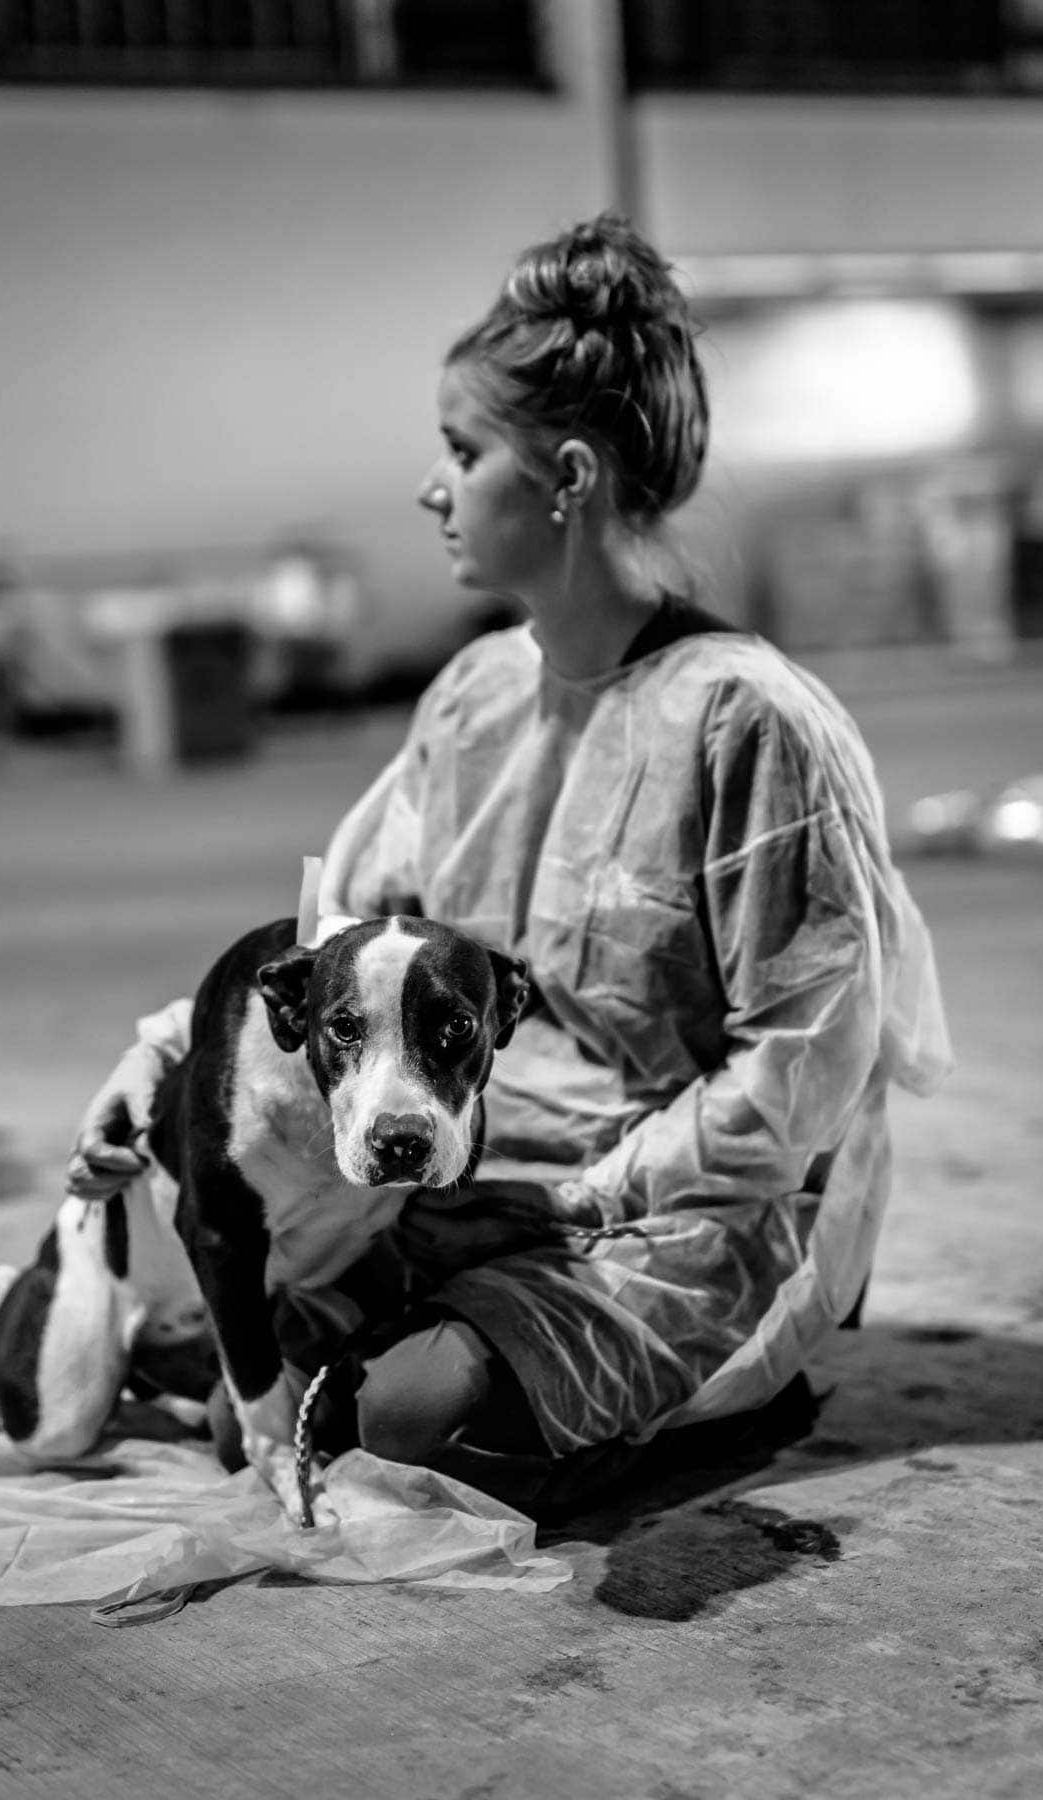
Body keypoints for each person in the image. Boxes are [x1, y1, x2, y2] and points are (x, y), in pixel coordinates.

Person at [67, 214, 951, 1515]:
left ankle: (641, 1383)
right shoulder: (477, 693)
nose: (434, 489)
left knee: (388, 1413)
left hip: (673, 1211)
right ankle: (393, 1363)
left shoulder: (748, 722)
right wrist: (156, 1059)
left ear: (569, 478)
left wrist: (587, 1194)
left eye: (462, 452)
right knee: (216, 1368)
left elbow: (797, 1077)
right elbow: (344, 936)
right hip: (461, 1171)